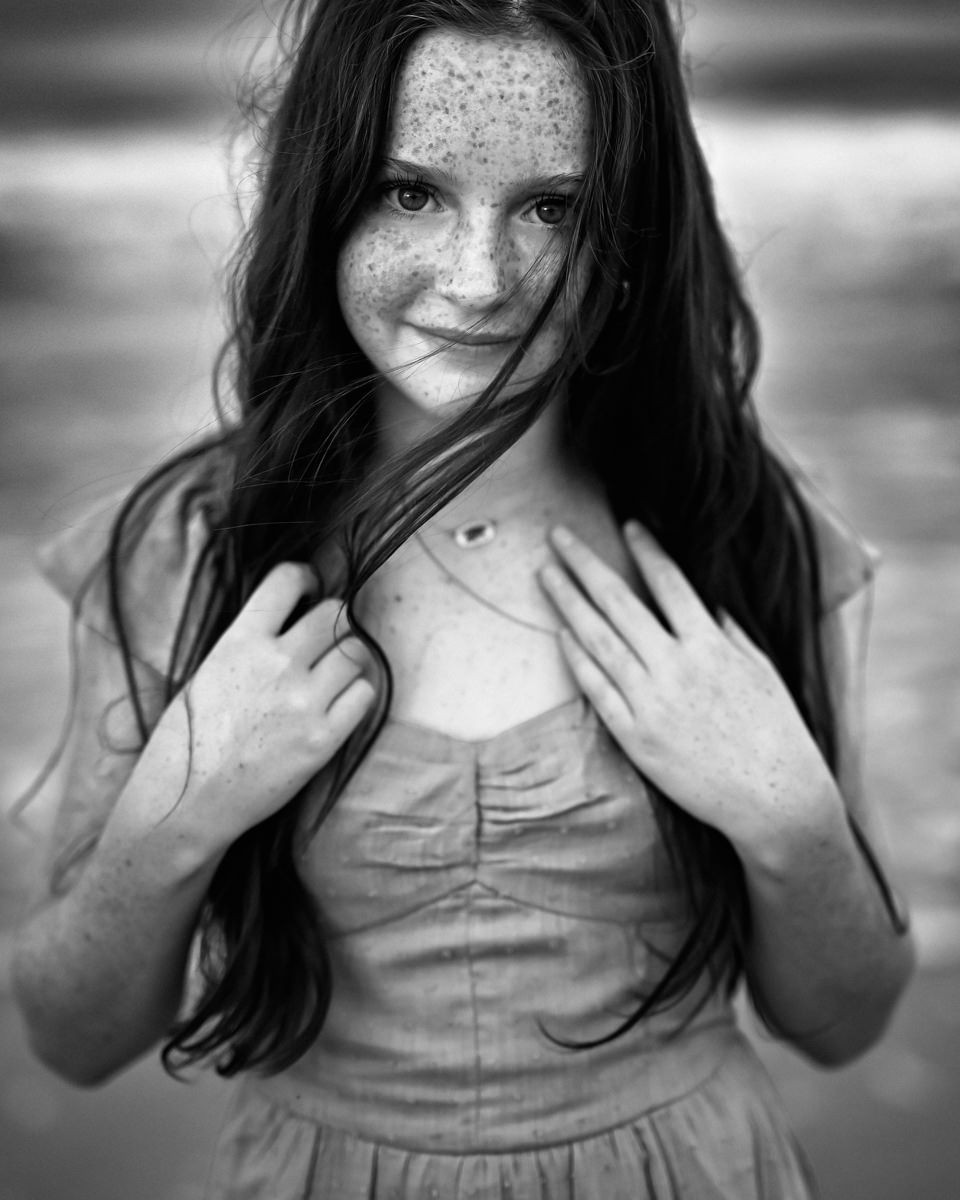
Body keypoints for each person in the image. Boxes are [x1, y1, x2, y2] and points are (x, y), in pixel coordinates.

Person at [12, 0, 915, 1196]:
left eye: (553, 206)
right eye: (409, 191)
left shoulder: (744, 536)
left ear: (630, 226)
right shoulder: (184, 554)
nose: (481, 277)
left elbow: (843, 1024)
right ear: (322, 195)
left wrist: (792, 818)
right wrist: (176, 808)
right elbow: (74, 1040)